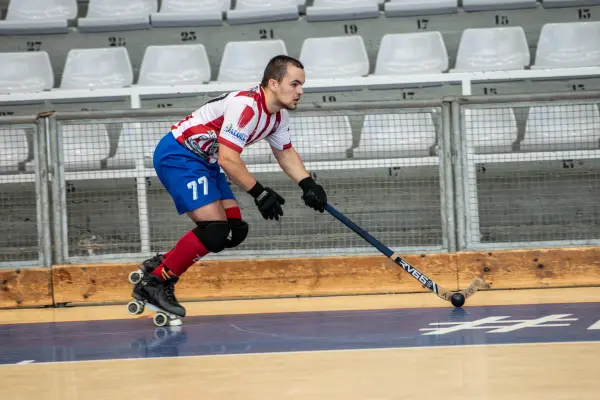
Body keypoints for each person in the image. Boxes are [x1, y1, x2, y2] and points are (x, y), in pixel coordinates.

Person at [131, 55, 328, 319]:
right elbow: (228, 159)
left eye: (302, 85)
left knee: (234, 231)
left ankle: (164, 263)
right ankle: (155, 283)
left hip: (204, 161)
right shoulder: (246, 106)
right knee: (214, 230)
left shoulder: (277, 118)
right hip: (180, 155)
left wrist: (308, 184)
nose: (300, 91)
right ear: (273, 83)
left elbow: (285, 153)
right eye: (294, 84)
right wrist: (259, 193)